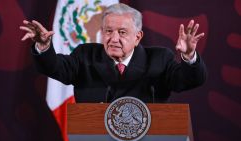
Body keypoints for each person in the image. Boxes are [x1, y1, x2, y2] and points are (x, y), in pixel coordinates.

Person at [20, 3, 207, 103]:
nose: (114, 38)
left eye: (122, 32)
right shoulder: (85, 56)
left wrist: (189, 56)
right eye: (108, 31)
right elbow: (56, 67)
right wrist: (44, 47)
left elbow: (188, 80)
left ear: (138, 36)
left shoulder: (159, 59)